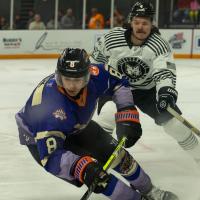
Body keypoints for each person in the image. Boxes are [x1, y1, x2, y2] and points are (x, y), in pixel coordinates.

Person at [15, 48, 178, 200]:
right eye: (67, 79)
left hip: (77, 126)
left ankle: (151, 191)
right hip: (40, 140)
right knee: (100, 180)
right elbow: (51, 157)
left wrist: (126, 112)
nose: (72, 86)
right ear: (59, 76)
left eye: (78, 79)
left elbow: (119, 82)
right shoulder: (47, 108)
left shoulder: (96, 74)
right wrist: (83, 168)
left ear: (87, 75)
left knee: (119, 155)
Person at [90, 0, 200, 167]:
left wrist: (165, 93)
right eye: (137, 22)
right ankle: (96, 159)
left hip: (147, 91)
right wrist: (93, 85)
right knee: (107, 115)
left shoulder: (159, 44)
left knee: (175, 125)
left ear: (151, 24)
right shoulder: (112, 38)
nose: (141, 27)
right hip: (116, 88)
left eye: (145, 23)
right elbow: (96, 62)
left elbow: (164, 71)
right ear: (130, 22)